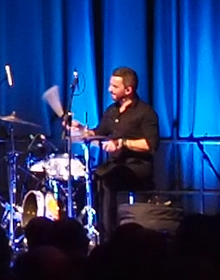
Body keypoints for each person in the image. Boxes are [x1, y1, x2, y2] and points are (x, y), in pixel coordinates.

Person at [68, 67, 158, 239]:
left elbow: (150, 144)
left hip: (137, 167)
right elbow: (98, 132)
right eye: (110, 85)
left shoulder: (145, 113)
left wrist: (122, 143)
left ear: (128, 90)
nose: (109, 89)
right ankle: (86, 230)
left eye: (115, 86)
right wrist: (81, 129)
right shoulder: (111, 111)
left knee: (107, 181)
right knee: (89, 180)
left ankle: (109, 235)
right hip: (115, 164)